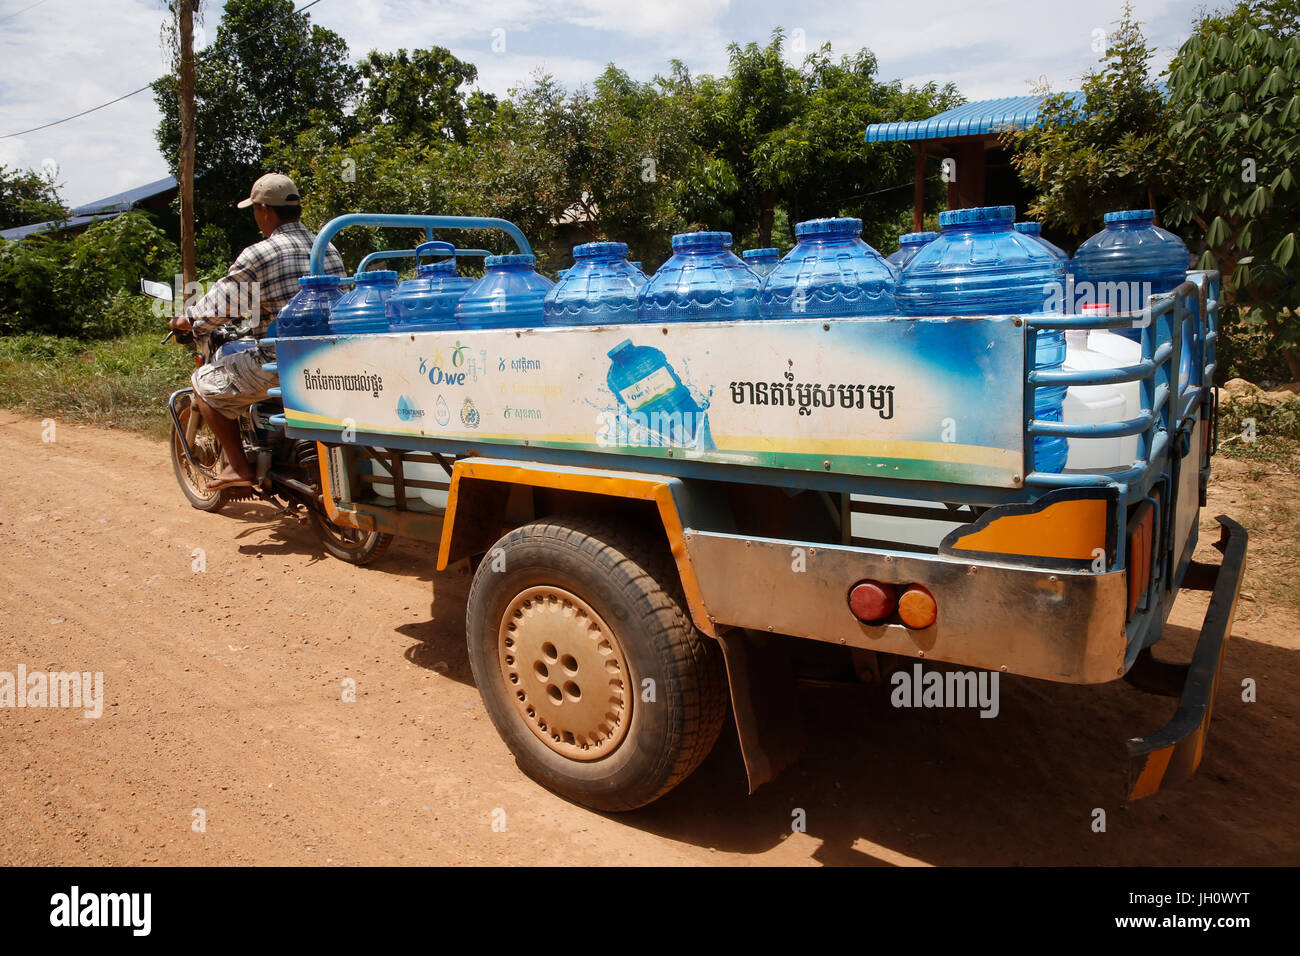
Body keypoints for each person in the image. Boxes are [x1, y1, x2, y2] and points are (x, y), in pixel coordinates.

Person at [169, 173, 346, 490]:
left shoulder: (260, 253)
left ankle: (239, 467)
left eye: (254, 210)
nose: (256, 217)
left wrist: (188, 320)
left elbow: (219, 306)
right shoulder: (327, 247)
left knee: (203, 385)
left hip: (284, 364)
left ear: (265, 210)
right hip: (333, 356)